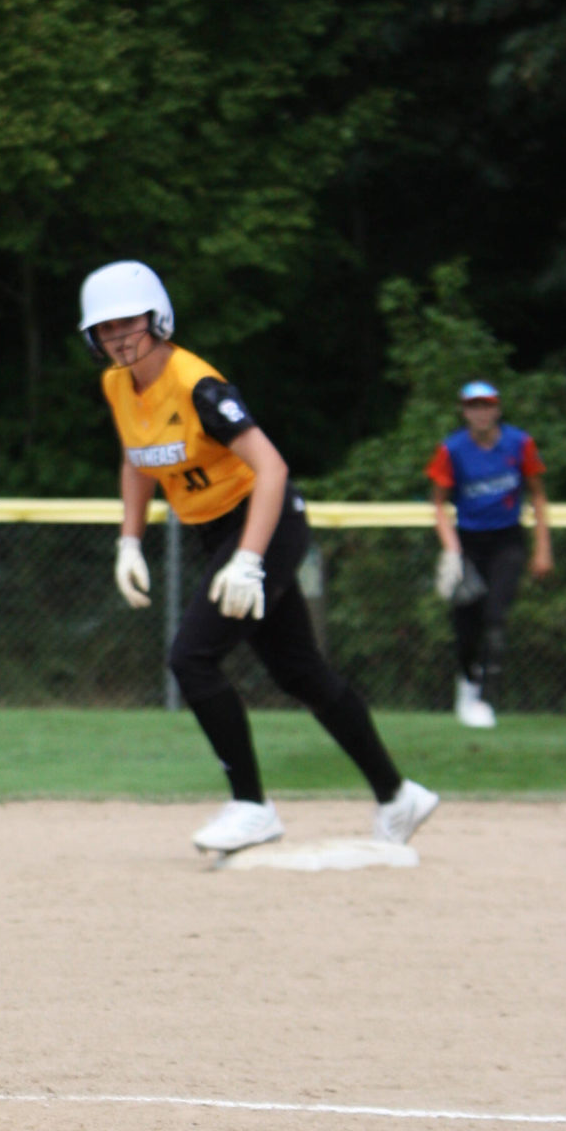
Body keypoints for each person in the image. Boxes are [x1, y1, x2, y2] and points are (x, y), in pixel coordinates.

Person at [79, 259, 439, 854]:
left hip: (265, 523)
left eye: (128, 321)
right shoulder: (118, 384)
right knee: (300, 672)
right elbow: (137, 459)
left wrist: (248, 558)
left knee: (191, 658)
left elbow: (272, 468)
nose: (117, 335)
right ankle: (399, 797)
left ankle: (252, 806)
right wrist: (129, 538)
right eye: (105, 327)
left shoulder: (197, 385)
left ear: (157, 316)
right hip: (218, 533)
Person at [425, 380, 552, 728]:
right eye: (473, 406)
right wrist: (451, 550)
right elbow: (437, 502)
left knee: (495, 616)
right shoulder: (452, 449)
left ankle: (483, 698)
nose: (481, 412)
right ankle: (466, 684)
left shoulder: (519, 443)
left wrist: (542, 547)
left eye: (487, 405)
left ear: (497, 408)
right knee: (466, 627)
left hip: (507, 540)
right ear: (464, 411)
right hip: (468, 541)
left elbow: (537, 495)